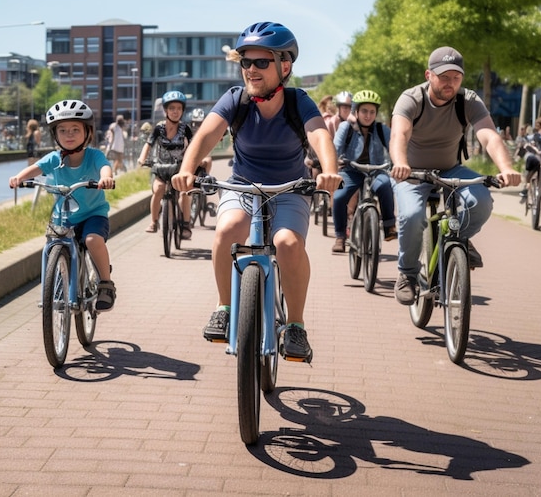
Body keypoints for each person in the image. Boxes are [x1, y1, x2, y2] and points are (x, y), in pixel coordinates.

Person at [172, 21, 342, 362]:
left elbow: (319, 135)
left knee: (287, 243)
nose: (251, 69)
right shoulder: (236, 100)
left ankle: (295, 325)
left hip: (289, 188)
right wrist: (186, 169)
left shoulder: (298, 102)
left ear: (285, 66)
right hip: (243, 186)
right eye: (245, 62)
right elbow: (205, 135)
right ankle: (223, 306)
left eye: (261, 62)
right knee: (228, 229)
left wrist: (329, 169)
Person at [390, 46, 521, 306]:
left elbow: (489, 136)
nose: (450, 83)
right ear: (429, 75)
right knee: (412, 216)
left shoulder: (468, 100)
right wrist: (401, 163)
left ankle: (458, 239)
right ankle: (407, 275)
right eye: (444, 76)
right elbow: (399, 135)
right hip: (413, 173)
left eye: (456, 77)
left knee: (480, 200)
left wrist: (506, 167)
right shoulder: (411, 98)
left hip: (450, 168)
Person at [9, 99, 117, 311]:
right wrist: (18, 177)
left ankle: (106, 283)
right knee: (52, 247)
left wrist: (107, 178)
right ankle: (56, 285)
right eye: (63, 130)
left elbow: (105, 167)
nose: (69, 134)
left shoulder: (93, 156)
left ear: (87, 132)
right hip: (64, 217)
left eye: (75, 129)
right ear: (55, 134)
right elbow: (36, 168)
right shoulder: (54, 158)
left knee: (93, 240)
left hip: (93, 215)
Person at [331, 90, 396, 253]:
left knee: (386, 186)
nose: (368, 115)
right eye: (364, 111)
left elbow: (395, 148)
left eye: (372, 112)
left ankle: (389, 226)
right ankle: (340, 236)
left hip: (376, 170)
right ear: (356, 112)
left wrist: (398, 164)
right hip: (351, 170)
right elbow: (335, 148)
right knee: (338, 197)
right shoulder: (347, 127)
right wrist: (335, 162)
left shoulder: (382, 129)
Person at [138, 91, 193, 237]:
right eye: (172, 108)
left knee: (184, 193)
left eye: (179, 108)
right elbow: (148, 144)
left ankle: (186, 224)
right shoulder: (159, 128)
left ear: (182, 111)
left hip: (179, 168)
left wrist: (193, 161)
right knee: (158, 189)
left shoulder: (185, 129)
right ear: (165, 110)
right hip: (161, 167)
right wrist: (142, 159)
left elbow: (194, 146)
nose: (175, 112)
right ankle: (154, 222)